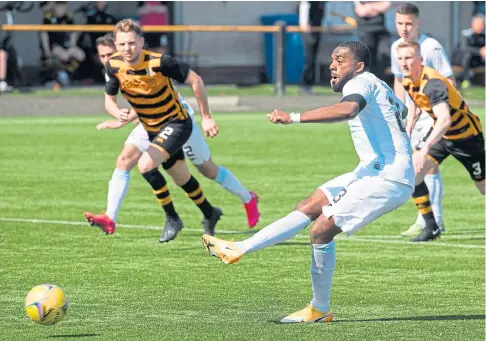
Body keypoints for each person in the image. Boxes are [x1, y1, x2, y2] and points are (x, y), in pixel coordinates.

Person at [202, 41, 415, 323]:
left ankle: (319, 309)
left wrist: (293, 117)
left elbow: (348, 110)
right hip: (372, 170)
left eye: (340, 60)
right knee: (311, 204)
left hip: (388, 177)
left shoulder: (361, 82)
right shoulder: (378, 84)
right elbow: (402, 111)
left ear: (359, 66)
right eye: (332, 60)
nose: (332, 66)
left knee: (320, 230)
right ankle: (240, 248)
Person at [85, 33, 260, 239]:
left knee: (207, 170)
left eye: (109, 54)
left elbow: (152, 97)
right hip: (149, 122)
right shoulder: (114, 68)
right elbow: (128, 102)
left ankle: (247, 198)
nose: (106, 59)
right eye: (102, 56)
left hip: (176, 119)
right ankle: (110, 217)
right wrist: (118, 116)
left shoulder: (146, 63)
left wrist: (206, 117)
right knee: (125, 160)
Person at [397, 41, 485, 242]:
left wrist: (425, 146)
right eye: (400, 59)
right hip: (443, 137)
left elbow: (445, 119)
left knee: (483, 187)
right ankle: (431, 227)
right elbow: (415, 109)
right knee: (414, 173)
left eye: (409, 58)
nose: (404, 63)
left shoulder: (434, 84)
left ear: (420, 60)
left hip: (466, 137)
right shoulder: (408, 79)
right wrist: (407, 134)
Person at [390, 3, 454, 237]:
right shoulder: (397, 46)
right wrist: (401, 110)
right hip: (413, 116)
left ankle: (432, 221)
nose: (404, 28)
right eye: (399, 23)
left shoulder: (431, 47)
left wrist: (441, 114)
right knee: (418, 168)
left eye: (408, 23)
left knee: (427, 166)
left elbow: (449, 81)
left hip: (433, 116)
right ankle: (427, 219)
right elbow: (399, 79)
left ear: (418, 23)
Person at [40, 1, 86, 87]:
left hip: (66, 46)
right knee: (64, 56)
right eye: (59, 7)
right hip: (54, 46)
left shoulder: (67, 17)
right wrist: (46, 51)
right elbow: (43, 34)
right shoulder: (49, 18)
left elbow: (74, 32)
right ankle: (60, 75)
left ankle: (67, 73)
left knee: (80, 55)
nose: (62, 9)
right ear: (55, 7)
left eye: (64, 7)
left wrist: (72, 45)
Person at [353, 1, 391, 77]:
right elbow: (362, 11)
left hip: (381, 30)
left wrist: (369, 6)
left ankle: (381, 80)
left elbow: (386, 5)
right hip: (365, 31)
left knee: (384, 56)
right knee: (369, 59)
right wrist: (377, 7)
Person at [298, 1, 326, 95]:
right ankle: (304, 85)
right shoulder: (309, 2)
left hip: (316, 30)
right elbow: (304, 5)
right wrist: (304, 23)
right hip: (309, 31)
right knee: (309, 59)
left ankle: (308, 85)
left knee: (313, 59)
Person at [457, 15, 485, 90]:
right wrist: (479, 51)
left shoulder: (483, 36)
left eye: (482, 25)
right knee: (467, 55)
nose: (481, 27)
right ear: (472, 25)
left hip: (478, 61)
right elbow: (464, 48)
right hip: (465, 61)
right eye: (479, 25)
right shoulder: (466, 34)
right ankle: (465, 79)